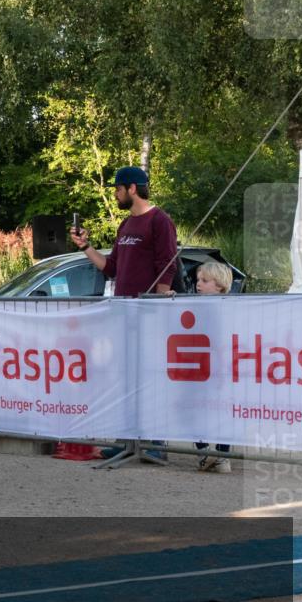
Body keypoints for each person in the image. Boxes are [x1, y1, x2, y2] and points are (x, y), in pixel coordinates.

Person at [70, 166, 178, 297]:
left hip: (147, 308)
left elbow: (167, 267)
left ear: (132, 188)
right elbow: (112, 268)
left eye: (118, 189)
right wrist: (84, 245)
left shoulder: (160, 220)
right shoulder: (125, 224)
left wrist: (158, 303)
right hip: (123, 306)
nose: (115, 194)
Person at [194, 260, 234, 473]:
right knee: (194, 408)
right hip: (199, 368)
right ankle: (204, 452)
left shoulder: (229, 307)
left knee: (223, 410)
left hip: (221, 367)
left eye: (204, 281)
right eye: (198, 280)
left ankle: (221, 456)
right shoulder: (195, 304)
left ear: (219, 285)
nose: (198, 284)